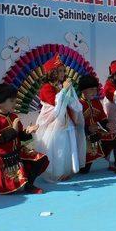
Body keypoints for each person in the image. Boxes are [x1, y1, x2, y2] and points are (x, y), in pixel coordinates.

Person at [0, 83, 49, 194]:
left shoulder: (14, 116)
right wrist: (13, 130)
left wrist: (28, 132)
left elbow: (20, 135)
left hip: (18, 151)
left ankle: (29, 184)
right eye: (12, 101)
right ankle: (20, 184)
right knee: (11, 190)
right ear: (1, 103)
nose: (15, 103)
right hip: (6, 157)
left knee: (41, 159)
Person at [34, 54, 86, 182]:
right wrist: (64, 90)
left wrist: (70, 92)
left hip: (66, 122)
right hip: (53, 124)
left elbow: (73, 104)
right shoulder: (46, 88)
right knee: (57, 148)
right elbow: (55, 104)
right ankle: (55, 174)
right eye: (60, 71)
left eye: (64, 70)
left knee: (66, 147)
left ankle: (63, 171)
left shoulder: (61, 86)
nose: (63, 73)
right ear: (53, 72)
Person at [78, 75, 116, 176]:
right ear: (83, 90)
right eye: (91, 89)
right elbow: (75, 124)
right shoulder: (78, 104)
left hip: (98, 134)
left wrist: (108, 125)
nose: (95, 92)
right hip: (83, 138)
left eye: (96, 89)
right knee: (84, 171)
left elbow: (102, 118)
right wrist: (87, 129)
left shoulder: (96, 102)